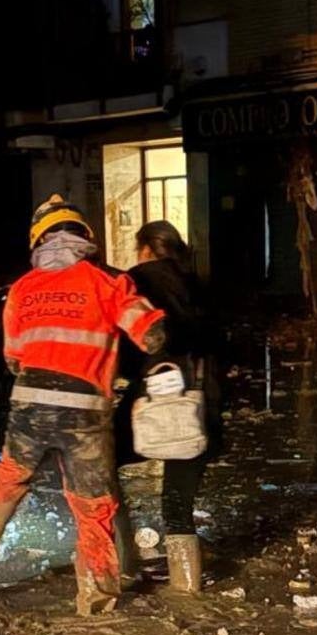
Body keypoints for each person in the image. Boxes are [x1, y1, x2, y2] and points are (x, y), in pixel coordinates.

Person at [0, 194, 166, 616]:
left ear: (40, 241)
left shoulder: (21, 289)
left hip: (28, 407)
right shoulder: (105, 282)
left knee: (5, 486)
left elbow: (14, 359)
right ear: (84, 238)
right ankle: (95, 600)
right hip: (84, 412)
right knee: (92, 506)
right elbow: (151, 335)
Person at [117, 220, 219, 594]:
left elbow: (127, 350)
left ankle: (122, 565)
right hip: (200, 399)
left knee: (102, 472)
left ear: (144, 248)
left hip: (147, 402)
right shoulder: (201, 285)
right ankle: (187, 591)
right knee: (178, 503)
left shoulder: (132, 282)